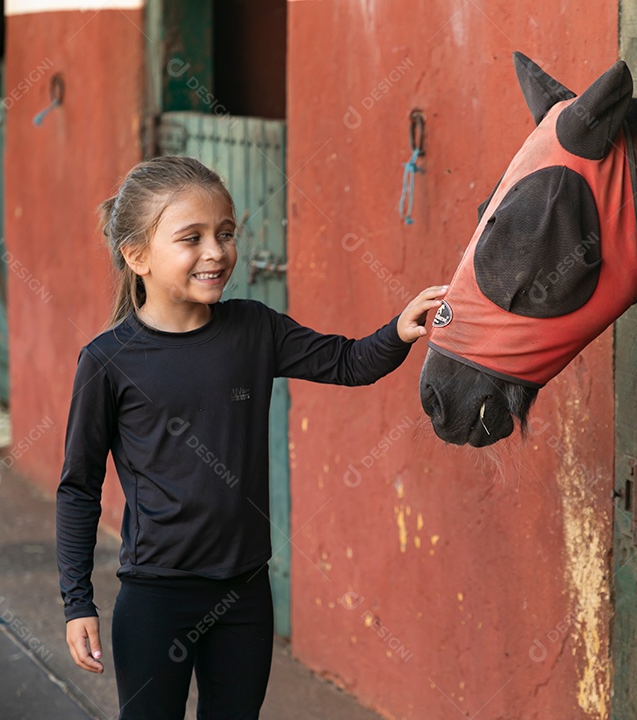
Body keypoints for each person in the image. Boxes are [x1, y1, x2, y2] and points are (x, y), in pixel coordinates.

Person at [56, 155, 445, 719]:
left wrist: (398, 330)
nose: (216, 251)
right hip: (155, 596)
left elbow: (348, 361)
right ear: (136, 256)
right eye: (192, 238)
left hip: (244, 594)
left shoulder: (255, 329)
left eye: (226, 233)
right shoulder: (107, 361)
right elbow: (79, 486)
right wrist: (77, 603)